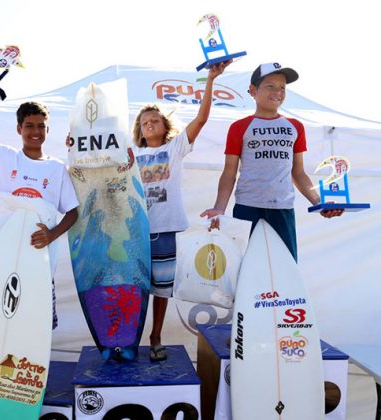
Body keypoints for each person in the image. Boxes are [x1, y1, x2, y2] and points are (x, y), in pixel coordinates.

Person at [0, 82, 79, 329]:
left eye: (41, 126)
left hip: (38, 264)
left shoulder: (56, 169)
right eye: (29, 125)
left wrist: (51, 234)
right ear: (19, 128)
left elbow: (72, 212)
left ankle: (34, 368)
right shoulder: (2, 156)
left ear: (47, 130)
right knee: (1, 322)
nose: (35, 131)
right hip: (1, 259)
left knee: (37, 327)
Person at [132, 61, 230, 361]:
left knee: (161, 291)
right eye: (144, 121)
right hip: (135, 231)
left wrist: (211, 80)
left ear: (165, 126)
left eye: (154, 119)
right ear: (138, 129)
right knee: (134, 291)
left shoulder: (175, 149)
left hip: (166, 230)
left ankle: (156, 336)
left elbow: (200, 119)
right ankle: (129, 338)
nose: (149, 123)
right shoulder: (130, 153)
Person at [200, 62, 343, 261]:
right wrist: (219, 209)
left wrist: (319, 203)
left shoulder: (295, 126)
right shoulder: (239, 127)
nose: (278, 92)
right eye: (270, 86)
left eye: (282, 88)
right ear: (253, 90)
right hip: (247, 207)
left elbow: (298, 173)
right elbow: (229, 172)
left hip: (282, 209)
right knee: (245, 268)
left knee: (286, 268)